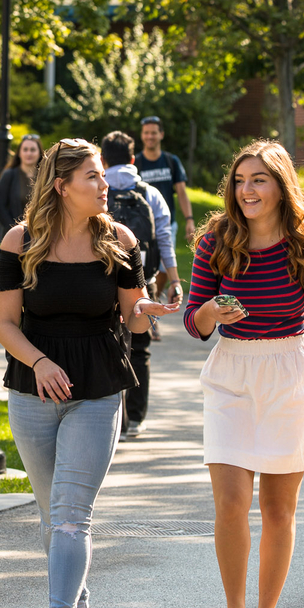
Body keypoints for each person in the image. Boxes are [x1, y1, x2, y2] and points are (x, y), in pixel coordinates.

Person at [0, 138, 179, 608]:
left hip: (97, 390)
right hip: (34, 387)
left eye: (102, 175)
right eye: (93, 177)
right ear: (62, 186)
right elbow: (4, 323)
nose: (106, 185)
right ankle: (77, 607)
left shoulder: (119, 240)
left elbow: (132, 319)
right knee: (55, 514)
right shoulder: (19, 241)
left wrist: (148, 307)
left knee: (73, 513)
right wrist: (39, 362)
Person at [184, 139, 304, 608]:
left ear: (281, 187)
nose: (247, 190)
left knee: (278, 509)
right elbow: (193, 321)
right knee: (231, 502)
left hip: (292, 375)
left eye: (259, 180)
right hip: (232, 372)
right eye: (240, 180)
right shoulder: (216, 240)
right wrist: (213, 312)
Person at [99, 130, 182, 439]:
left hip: (103, 282)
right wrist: (173, 280)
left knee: (106, 346)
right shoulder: (150, 194)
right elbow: (164, 240)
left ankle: (113, 418)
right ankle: (136, 417)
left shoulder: (99, 191)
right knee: (140, 349)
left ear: (103, 159)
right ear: (133, 159)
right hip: (141, 282)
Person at [135, 115, 196, 243]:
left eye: (153, 133)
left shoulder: (171, 161)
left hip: (167, 225)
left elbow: (182, 193)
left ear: (161, 134)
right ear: (142, 135)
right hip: (142, 226)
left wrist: (189, 220)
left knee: (167, 263)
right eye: (146, 133)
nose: (149, 136)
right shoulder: (136, 163)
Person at [0, 133, 42, 241]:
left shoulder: (45, 176)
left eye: (33, 150)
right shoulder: (9, 175)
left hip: (41, 235)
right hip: (15, 237)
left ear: (39, 153)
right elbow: (0, 207)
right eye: (25, 149)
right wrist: (15, 230)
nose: (29, 153)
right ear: (19, 153)